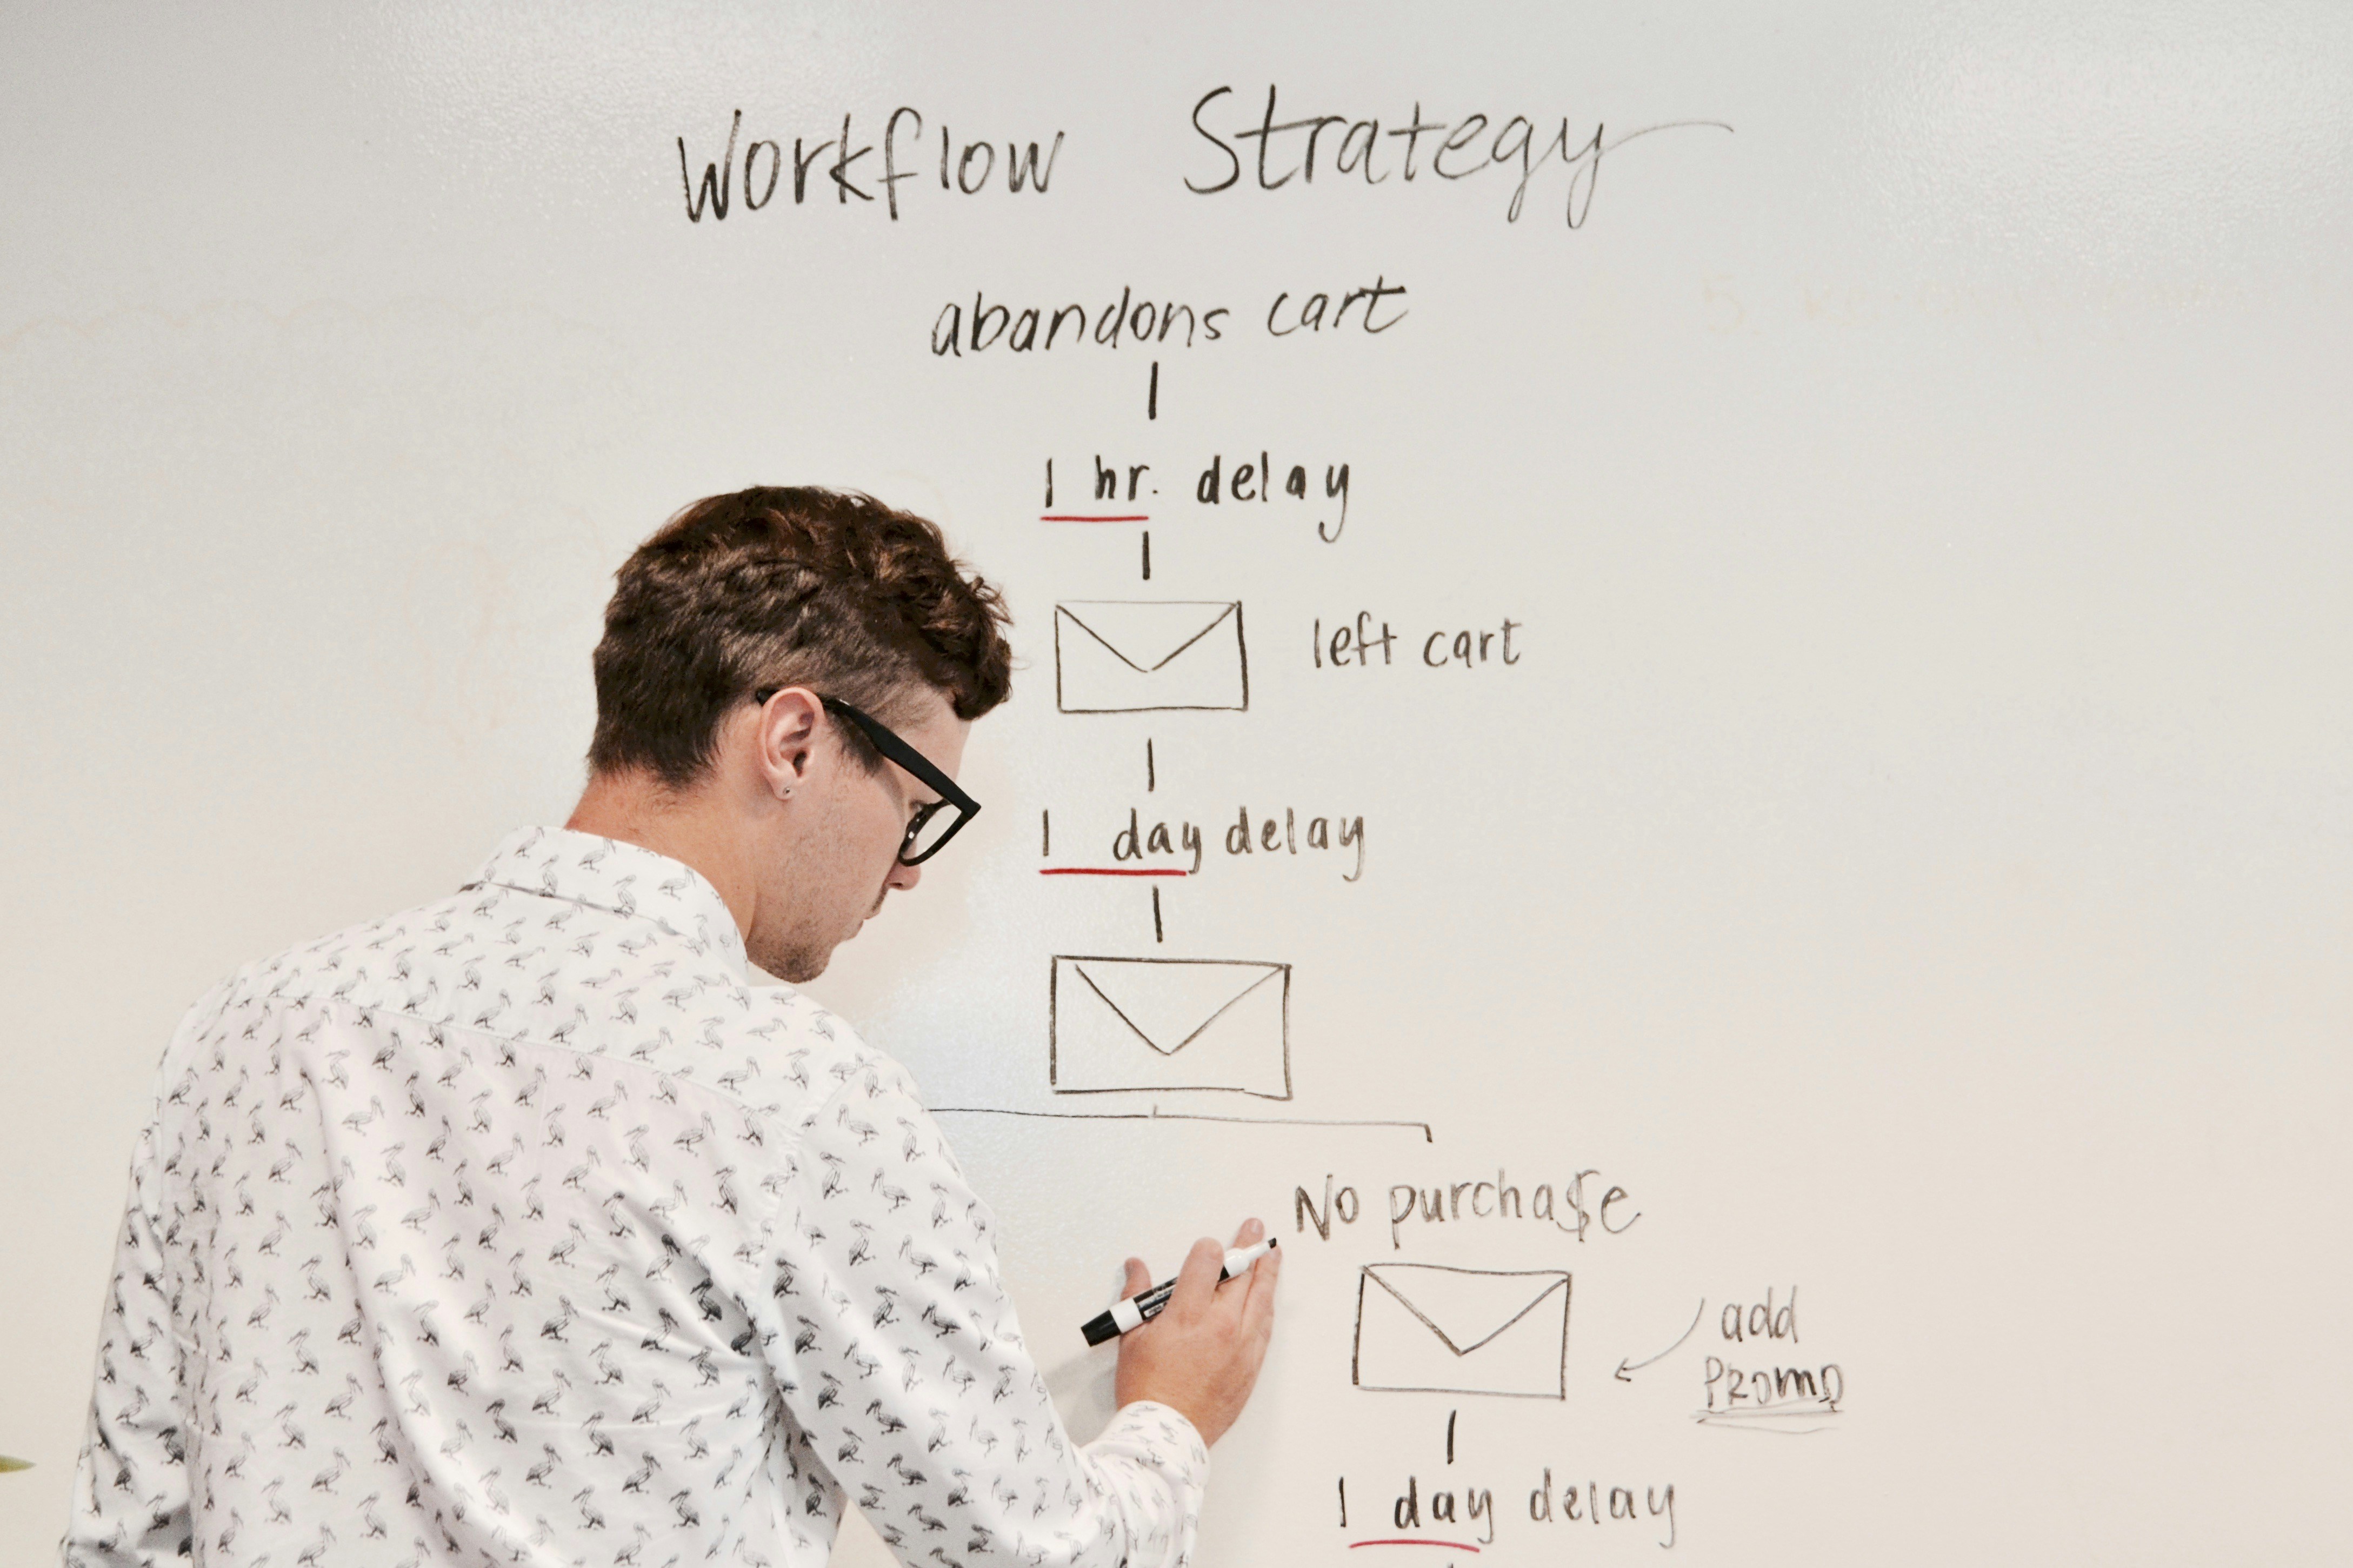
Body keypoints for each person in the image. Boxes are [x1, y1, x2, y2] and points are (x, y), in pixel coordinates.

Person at [63, 486, 1281, 1567]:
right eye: (914, 807)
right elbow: (1027, 1553)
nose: (907, 867)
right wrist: (1171, 1416)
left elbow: (125, 1537)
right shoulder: (800, 1096)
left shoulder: (250, 1030)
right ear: (793, 741)